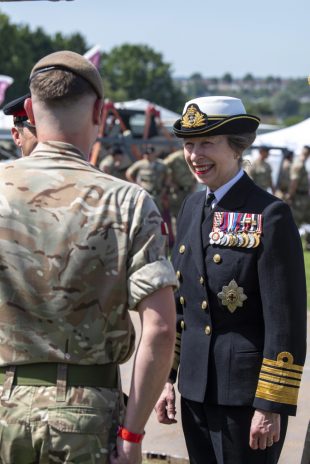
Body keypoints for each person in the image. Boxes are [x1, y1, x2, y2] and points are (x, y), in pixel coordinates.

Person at [0, 50, 177, 464]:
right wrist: (132, 433)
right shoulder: (130, 202)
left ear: (28, 108)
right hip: (87, 417)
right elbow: (161, 328)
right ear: (100, 111)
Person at [155, 96, 307, 464]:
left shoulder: (270, 213)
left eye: (207, 142)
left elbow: (284, 323)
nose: (195, 155)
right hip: (194, 391)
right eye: (189, 144)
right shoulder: (192, 207)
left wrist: (270, 405)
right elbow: (183, 306)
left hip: (246, 399)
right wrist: (169, 378)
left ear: (237, 146)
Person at [125, 146, 169, 212]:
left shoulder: (161, 163)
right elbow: (128, 173)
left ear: (154, 153)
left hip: (158, 193)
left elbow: (168, 175)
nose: (147, 155)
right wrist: (135, 184)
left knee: (158, 212)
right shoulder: (140, 163)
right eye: (146, 154)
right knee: (143, 211)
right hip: (145, 192)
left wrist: (165, 187)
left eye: (149, 154)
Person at [163, 148, 196, 226]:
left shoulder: (193, 156)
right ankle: (178, 237)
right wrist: (170, 182)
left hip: (189, 190)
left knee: (191, 216)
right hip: (177, 192)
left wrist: (194, 183)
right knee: (177, 217)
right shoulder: (174, 157)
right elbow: (162, 166)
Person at [286, 145, 310, 250]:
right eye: (305, 154)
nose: (306, 156)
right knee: (295, 222)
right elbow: (294, 182)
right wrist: (290, 196)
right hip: (298, 198)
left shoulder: (302, 164)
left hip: (304, 197)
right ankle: (290, 245)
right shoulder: (298, 164)